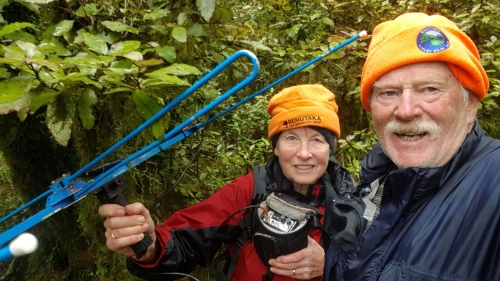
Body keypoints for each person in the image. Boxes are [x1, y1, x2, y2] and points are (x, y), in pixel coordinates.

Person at [99, 84, 366, 281]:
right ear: (275, 147)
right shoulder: (250, 190)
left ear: (330, 149)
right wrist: (148, 246)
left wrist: (332, 264)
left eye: (317, 140)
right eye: (291, 138)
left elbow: (382, 267)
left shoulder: (352, 202)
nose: (304, 153)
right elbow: (187, 239)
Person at [323, 12, 500, 281]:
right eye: (388, 93)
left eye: (429, 89)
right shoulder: (373, 185)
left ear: (470, 104)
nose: (406, 110)